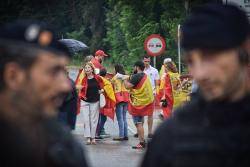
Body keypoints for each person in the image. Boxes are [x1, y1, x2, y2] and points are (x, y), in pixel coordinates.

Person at [141, 3, 250, 167]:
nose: (200, 74)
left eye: (210, 56)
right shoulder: (172, 136)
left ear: (245, 49)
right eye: (191, 61)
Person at [0, 20, 88, 167]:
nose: (66, 86)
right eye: (53, 71)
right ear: (13, 76)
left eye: (63, 71)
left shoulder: (65, 148)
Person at [120, 61, 154, 149]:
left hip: (138, 104)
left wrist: (124, 79)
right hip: (146, 102)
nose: (134, 68)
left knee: (138, 123)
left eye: (134, 67)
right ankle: (142, 140)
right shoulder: (144, 75)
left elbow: (128, 86)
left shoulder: (136, 76)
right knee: (140, 122)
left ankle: (142, 142)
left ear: (137, 67)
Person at [78, 62, 103, 145]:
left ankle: (93, 138)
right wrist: (79, 88)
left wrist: (102, 91)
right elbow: (78, 88)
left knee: (94, 120)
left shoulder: (98, 78)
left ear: (92, 69)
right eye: (86, 68)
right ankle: (88, 138)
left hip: (95, 101)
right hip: (84, 101)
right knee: (86, 119)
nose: (87, 69)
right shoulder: (83, 79)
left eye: (89, 68)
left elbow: (103, 87)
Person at [142, 55, 159, 138]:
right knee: (140, 113)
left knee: (150, 113)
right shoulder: (139, 71)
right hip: (141, 94)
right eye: (145, 61)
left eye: (148, 61)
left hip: (151, 94)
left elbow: (157, 83)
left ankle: (150, 132)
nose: (147, 63)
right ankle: (140, 131)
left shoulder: (154, 70)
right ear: (143, 61)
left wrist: (156, 91)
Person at [112, 64, 129, 141]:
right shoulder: (127, 77)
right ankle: (126, 135)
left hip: (119, 98)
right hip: (126, 98)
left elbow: (111, 83)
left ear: (116, 69)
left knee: (120, 118)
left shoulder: (115, 78)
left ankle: (121, 136)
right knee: (124, 117)